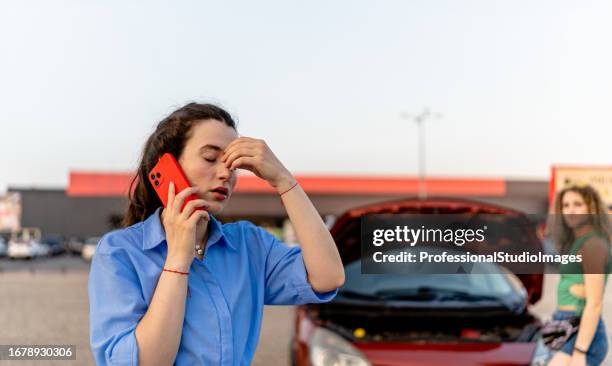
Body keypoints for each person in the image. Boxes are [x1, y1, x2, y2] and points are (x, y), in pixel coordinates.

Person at [88, 102, 345, 365]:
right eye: (210, 158)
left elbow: (328, 277)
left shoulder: (250, 244)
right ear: (166, 166)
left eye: (233, 165)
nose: (225, 174)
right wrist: (178, 259)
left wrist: (284, 180)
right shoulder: (120, 252)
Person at [548, 184, 611, 366]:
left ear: (591, 208)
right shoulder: (577, 242)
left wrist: (580, 351)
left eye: (577, 204)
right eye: (566, 205)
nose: (570, 210)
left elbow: (595, 303)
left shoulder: (592, 244)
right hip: (563, 324)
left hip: (581, 331)